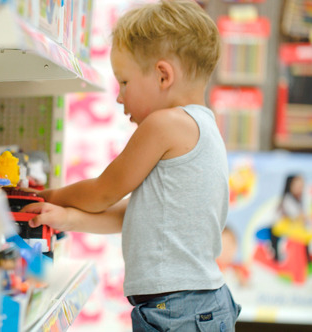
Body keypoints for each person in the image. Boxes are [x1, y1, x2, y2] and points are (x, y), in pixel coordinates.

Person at [21, 1, 241, 330]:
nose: (119, 97)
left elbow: (101, 192)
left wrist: (42, 197)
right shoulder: (204, 129)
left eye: (124, 83)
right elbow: (139, 216)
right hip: (197, 306)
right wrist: (68, 218)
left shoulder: (165, 125)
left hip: (178, 311)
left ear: (163, 76)